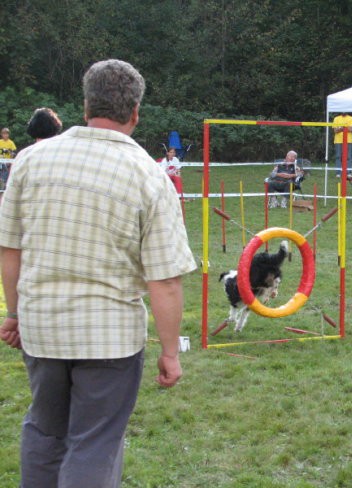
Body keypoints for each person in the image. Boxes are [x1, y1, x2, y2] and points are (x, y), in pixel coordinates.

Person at [0, 59, 197, 487]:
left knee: (44, 432)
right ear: (136, 112)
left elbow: (9, 248)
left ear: (85, 104)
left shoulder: (30, 162)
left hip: (42, 328)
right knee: (94, 443)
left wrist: (13, 312)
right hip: (110, 339)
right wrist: (170, 352)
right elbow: (164, 280)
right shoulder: (149, 175)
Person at [332, 112, 352, 178]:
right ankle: (338, 173)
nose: (343, 111)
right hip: (338, 140)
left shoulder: (351, 118)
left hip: (348, 140)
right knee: (338, 156)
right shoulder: (336, 118)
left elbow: (350, 129)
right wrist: (344, 127)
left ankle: (348, 173)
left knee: (348, 157)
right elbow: (335, 131)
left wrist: (340, 128)